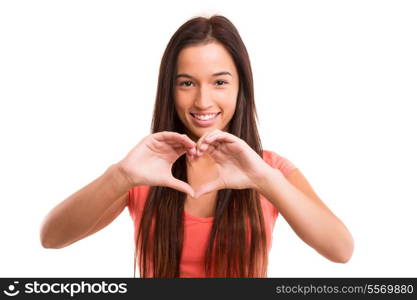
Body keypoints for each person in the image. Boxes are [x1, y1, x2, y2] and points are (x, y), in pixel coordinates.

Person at [40, 15, 354, 278]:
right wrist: (121, 176)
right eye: (187, 83)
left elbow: (341, 250)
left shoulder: (270, 169)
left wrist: (264, 179)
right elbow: (51, 237)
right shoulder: (146, 170)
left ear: (240, 87)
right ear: (170, 89)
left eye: (219, 82)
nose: (203, 101)